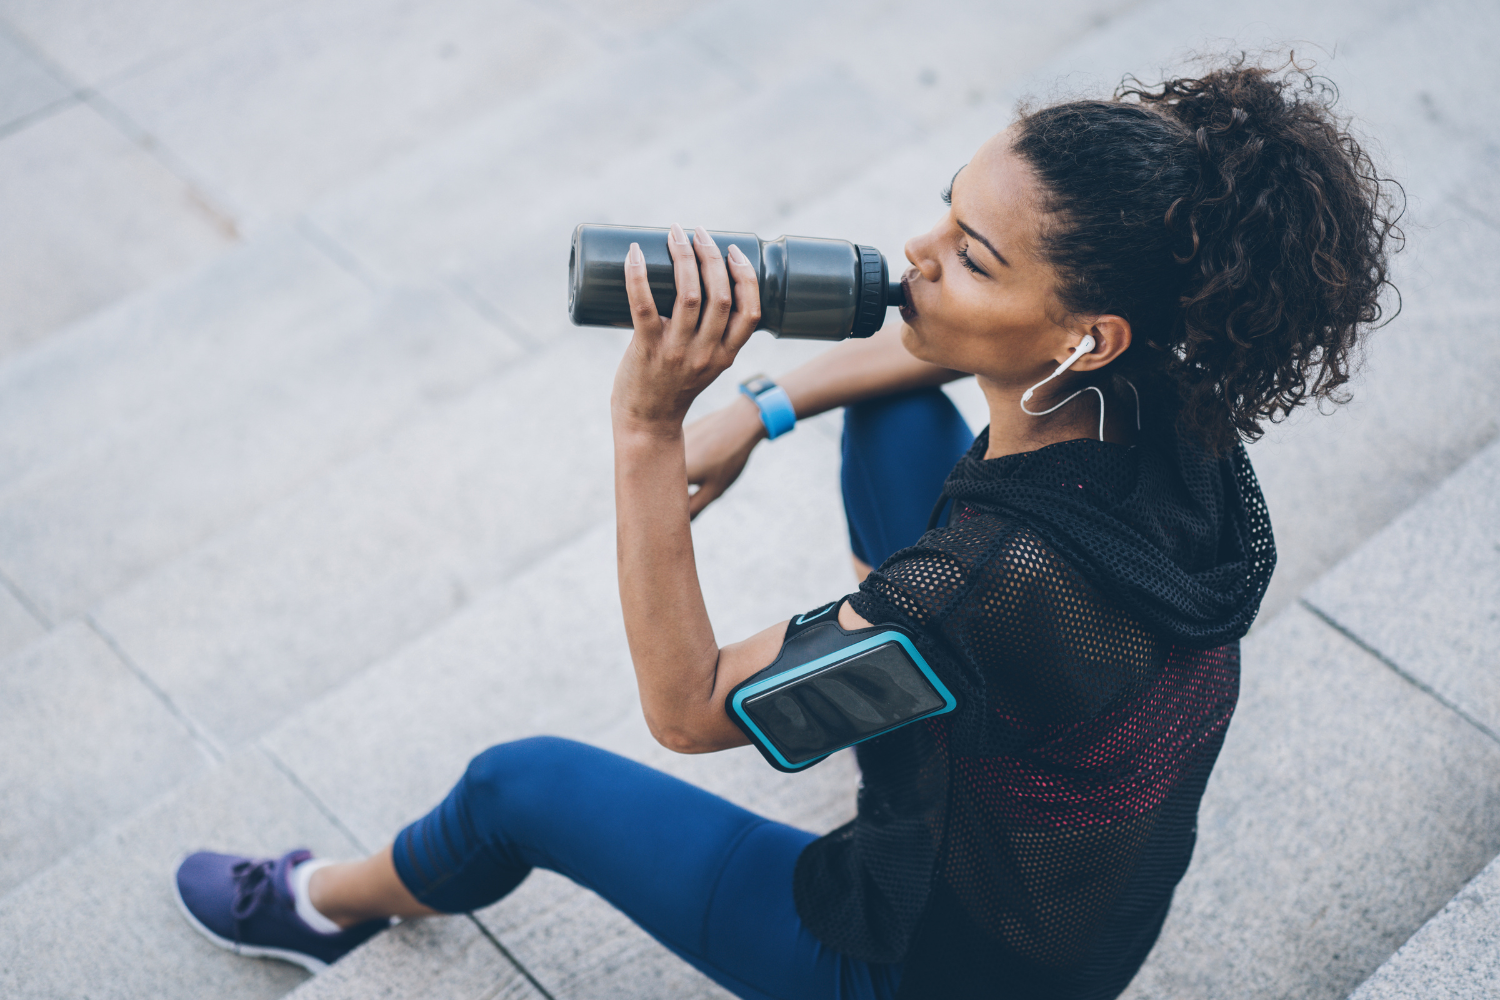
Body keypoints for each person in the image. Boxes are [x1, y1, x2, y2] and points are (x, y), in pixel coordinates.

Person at [173, 61, 1398, 999]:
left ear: (1084, 335)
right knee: (893, 412)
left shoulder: (978, 581)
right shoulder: (1174, 405)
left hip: (925, 965)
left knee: (516, 784)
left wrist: (651, 429)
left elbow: (687, 709)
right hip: (1077, 908)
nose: (916, 256)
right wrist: (761, 407)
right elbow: (924, 355)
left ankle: (320, 906)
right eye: (944, 212)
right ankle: (879, 694)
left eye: (971, 259)